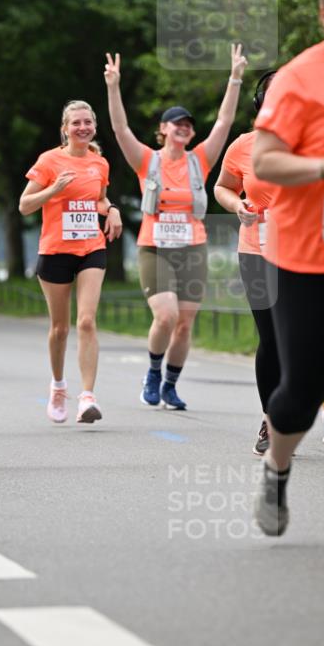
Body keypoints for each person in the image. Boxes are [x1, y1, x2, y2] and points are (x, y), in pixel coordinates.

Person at [252, 0, 324, 553]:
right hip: (307, 257)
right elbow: (264, 161)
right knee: (303, 391)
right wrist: (320, 167)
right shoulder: (299, 79)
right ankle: (278, 471)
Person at [105, 44, 247, 409]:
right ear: (163, 129)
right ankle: (152, 373)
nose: (184, 129)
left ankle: (170, 384)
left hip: (192, 247)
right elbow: (120, 128)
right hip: (155, 247)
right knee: (166, 316)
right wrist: (113, 86)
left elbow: (223, 123)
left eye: (188, 125)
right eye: (177, 124)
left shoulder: (200, 159)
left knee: (185, 324)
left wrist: (235, 78)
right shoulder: (146, 161)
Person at [18, 100, 122, 423]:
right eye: (75, 123)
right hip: (55, 251)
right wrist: (53, 189)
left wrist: (113, 210)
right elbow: (24, 205)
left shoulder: (99, 163)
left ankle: (87, 396)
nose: (82, 128)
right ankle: (59, 385)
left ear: (94, 126)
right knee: (60, 328)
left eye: (87, 122)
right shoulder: (49, 161)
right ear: (65, 129)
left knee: (87, 321)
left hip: (91, 247)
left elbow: (100, 200)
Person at [215, 71, 279, 454]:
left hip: (303, 252)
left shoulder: (313, 144)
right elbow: (221, 187)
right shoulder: (243, 146)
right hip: (256, 250)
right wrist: (237, 204)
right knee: (271, 337)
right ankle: (271, 419)